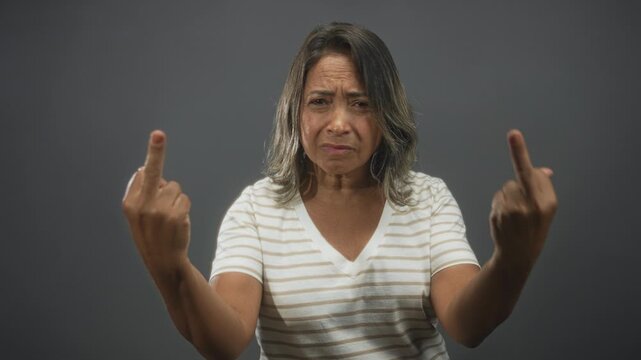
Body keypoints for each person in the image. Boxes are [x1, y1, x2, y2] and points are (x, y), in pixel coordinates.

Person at [122, 22, 557, 359]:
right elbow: (225, 342)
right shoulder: (256, 209)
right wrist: (170, 266)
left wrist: (513, 259)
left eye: (361, 103)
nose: (339, 123)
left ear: (386, 116)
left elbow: (467, 324)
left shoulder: (427, 200)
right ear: (296, 113)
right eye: (320, 101)